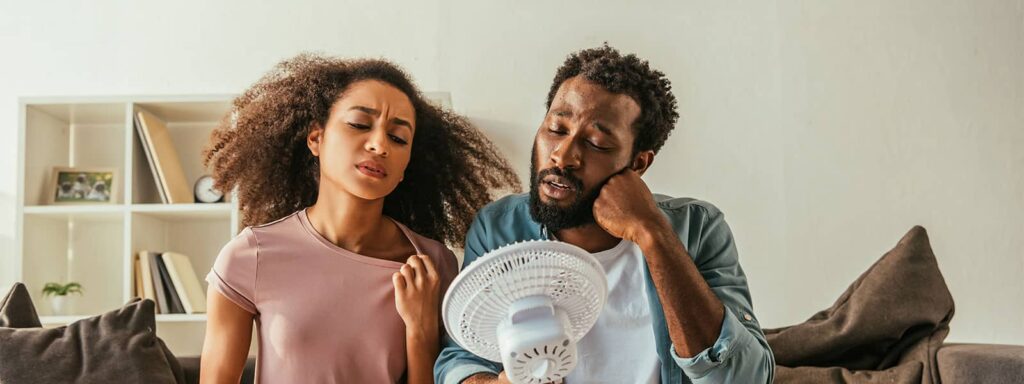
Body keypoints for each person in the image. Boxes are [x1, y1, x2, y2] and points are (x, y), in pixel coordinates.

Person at [434, 45, 774, 384]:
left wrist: (654, 235)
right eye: (556, 129)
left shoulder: (698, 229)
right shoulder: (499, 228)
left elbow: (745, 378)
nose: (563, 156)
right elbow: (461, 357)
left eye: (597, 143)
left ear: (638, 163)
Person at [199, 54, 520, 384]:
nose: (379, 144)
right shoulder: (250, 257)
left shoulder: (431, 265)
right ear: (316, 138)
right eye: (359, 124)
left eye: (398, 138)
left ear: (407, 164)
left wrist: (420, 331)